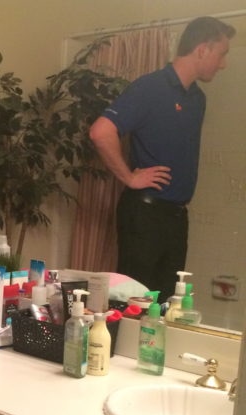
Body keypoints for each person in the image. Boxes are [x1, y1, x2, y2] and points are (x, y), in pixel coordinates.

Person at [89, 16, 235, 302]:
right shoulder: (151, 87)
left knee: (168, 303)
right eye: (222, 54)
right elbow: (100, 132)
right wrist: (129, 177)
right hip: (145, 213)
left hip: (177, 216)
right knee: (135, 301)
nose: (223, 64)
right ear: (202, 49)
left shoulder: (197, 99)